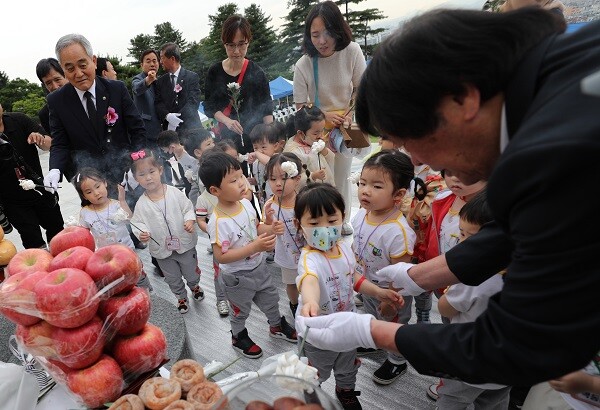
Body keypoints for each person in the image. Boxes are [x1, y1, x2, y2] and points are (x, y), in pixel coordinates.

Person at [295, 8, 600, 386]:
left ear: (461, 99)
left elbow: (521, 343)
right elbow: (516, 230)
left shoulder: (551, 151)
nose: (418, 160)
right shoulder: (557, 73)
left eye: (410, 140)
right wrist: (420, 276)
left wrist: (370, 332)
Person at [294, 182, 403, 410]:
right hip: (319, 333)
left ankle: (346, 391)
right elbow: (309, 281)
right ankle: (312, 396)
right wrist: (311, 301)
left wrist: (378, 291)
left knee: (348, 367)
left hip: (347, 326)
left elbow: (353, 278)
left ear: (343, 216)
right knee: (315, 372)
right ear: (299, 225)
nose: (325, 229)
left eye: (332, 221)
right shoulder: (309, 259)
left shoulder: (344, 247)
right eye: (314, 223)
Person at [198, 150, 297, 359]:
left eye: (241, 176)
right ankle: (238, 335)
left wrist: (270, 227)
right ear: (215, 190)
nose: (242, 183)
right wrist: (254, 248)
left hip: (258, 267)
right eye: (234, 180)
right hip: (237, 277)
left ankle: (276, 325)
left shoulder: (244, 203)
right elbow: (221, 257)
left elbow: (255, 228)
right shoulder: (218, 222)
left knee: (271, 299)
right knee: (240, 310)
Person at [293, 0, 367, 236]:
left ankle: (342, 217)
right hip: (318, 130)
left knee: (344, 175)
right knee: (324, 176)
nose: (322, 41)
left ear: (338, 30)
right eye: (315, 35)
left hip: (347, 125)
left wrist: (348, 114)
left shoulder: (353, 51)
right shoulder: (303, 64)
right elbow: (300, 107)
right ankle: (322, 220)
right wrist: (325, 115)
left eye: (327, 33)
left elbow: (361, 89)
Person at [351, 150, 424, 386]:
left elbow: (400, 273)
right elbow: (357, 244)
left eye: (376, 186)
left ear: (399, 194)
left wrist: (390, 300)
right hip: (369, 286)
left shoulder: (398, 232)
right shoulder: (362, 215)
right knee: (371, 317)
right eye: (362, 183)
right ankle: (374, 342)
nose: (365, 190)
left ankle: (397, 359)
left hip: (391, 292)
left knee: (394, 325)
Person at [434, 190, 511, 409]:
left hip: (469, 362)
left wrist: (448, 293)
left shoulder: (471, 279)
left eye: (471, 238)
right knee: (494, 402)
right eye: (461, 234)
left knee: (452, 399)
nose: (462, 244)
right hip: (508, 365)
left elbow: (445, 309)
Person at [45, 33, 146, 189]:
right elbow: (60, 143)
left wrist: (137, 163)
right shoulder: (57, 101)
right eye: (70, 68)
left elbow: (137, 130)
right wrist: (55, 169)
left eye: (82, 65)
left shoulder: (116, 89)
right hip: (92, 184)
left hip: (127, 174)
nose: (78, 73)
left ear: (93, 61)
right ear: (63, 69)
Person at [129, 149, 203, 314]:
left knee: (191, 271)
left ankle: (195, 286)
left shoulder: (174, 192)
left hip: (184, 242)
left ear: (160, 170)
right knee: (172, 277)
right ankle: (180, 297)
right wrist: (142, 233)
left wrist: (189, 220)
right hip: (162, 250)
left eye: (152, 172)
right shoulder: (141, 204)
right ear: (136, 179)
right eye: (142, 175)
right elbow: (137, 223)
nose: (148, 177)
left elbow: (187, 208)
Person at [204, 15, 273, 157]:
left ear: (248, 42)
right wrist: (227, 121)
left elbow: (267, 109)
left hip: (256, 141)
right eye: (231, 45)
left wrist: (269, 138)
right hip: (229, 142)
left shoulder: (256, 71)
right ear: (224, 44)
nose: (236, 51)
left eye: (241, 44)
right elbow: (210, 106)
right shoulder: (215, 72)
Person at [72, 166, 152, 291]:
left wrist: (122, 200)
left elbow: (129, 218)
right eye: (89, 192)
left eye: (97, 186)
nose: (96, 193)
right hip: (107, 256)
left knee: (136, 271)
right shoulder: (85, 213)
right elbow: (84, 234)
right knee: (117, 278)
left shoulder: (116, 204)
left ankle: (146, 290)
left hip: (127, 250)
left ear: (104, 183)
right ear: (84, 196)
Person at [0, 103, 64, 249]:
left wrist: (39, 138)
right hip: (13, 201)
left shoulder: (19, 119)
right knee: (32, 241)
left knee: (58, 232)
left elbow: (49, 145)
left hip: (40, 189)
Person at [262, 153, 305, 317]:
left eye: (284, 178)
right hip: (286, 255)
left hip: (306, 253)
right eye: (273, 179)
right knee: (291, 283)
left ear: (297, 178)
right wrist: (270, 222)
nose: (278, 183)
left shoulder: (303, 202)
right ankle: (294, 304)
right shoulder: (270, 204)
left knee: (309, 279)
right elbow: (265, 227)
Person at [154, 42, 201, 133]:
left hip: (191, 129)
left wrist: (178, 117)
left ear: (172, 59)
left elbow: (193, 101)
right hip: (171, 133)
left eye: (162, 58)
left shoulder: (191, 77)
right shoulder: (160, 81)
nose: (160, 62)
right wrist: (167, 116)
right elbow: (158, 103)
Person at [283, 106, 334, 185]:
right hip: (311, 193)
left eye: (322, 130)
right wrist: (313, 176)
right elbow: (293, 179)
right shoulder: (292, 152)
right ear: (301, 133)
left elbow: (332, 160)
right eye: (315, 133)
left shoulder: (312, 141)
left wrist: (323, 149)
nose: (320, 135)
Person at [131, 49, 162, 144]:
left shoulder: (161, 80)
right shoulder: (138, 79)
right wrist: (148, 79)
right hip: (147, 133)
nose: (152, 64)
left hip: (162, 132)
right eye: (148, 61)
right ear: (141, 65)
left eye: (154, 61)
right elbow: (137, 88)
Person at [181, 127, 215, 206]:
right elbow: (194, 195)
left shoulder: (222, 160)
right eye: (208, 144)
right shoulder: (200, 173)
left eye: (213, 142)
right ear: (198, 153)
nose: (213, 145)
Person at [35, 57, 68, 136]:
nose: (55, 86)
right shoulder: (45, 114)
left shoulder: (84, 97)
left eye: (57, 79)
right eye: (48, 83)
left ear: (66, 76)